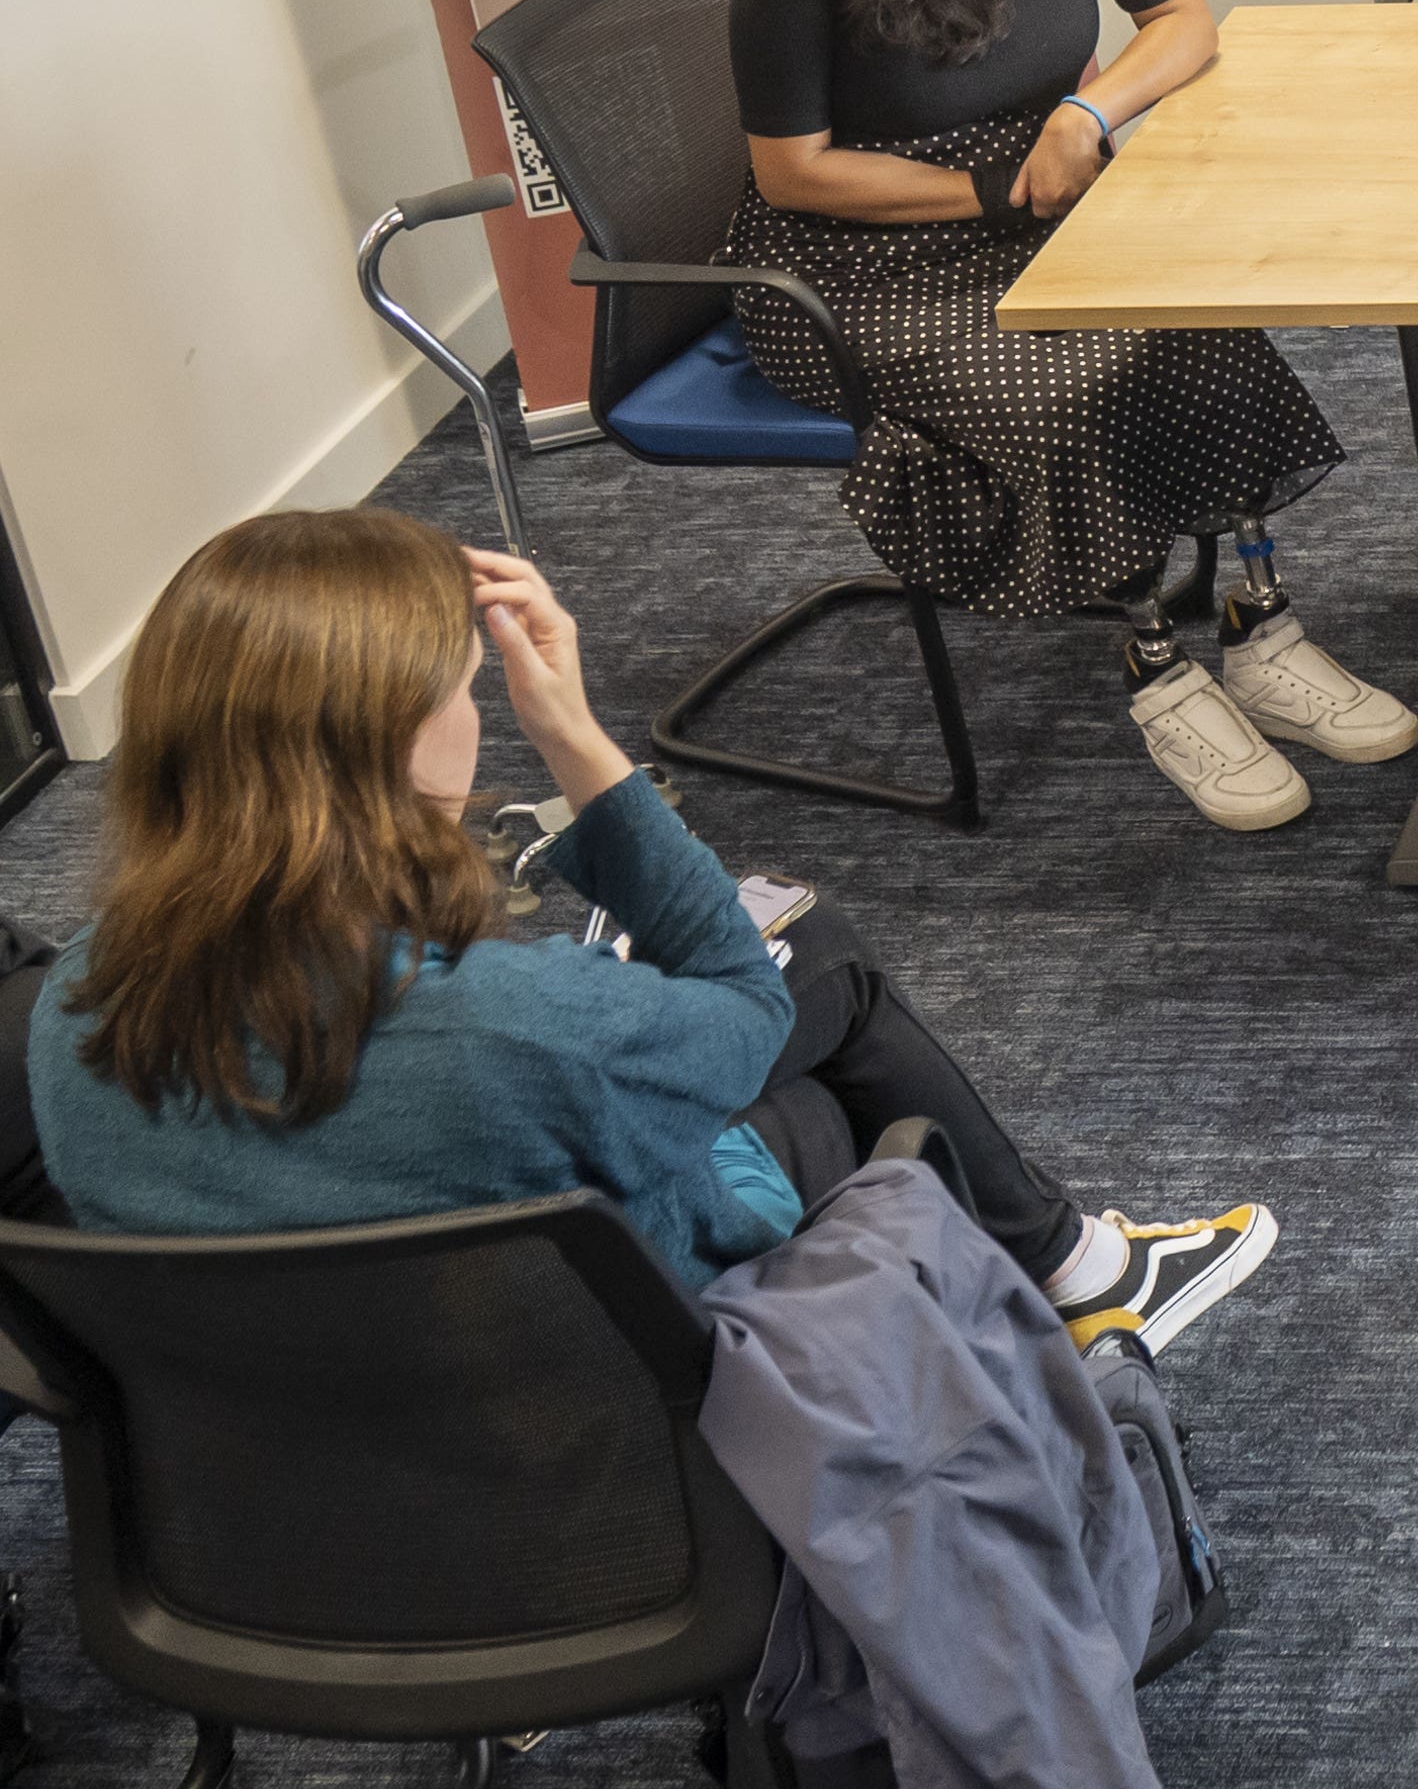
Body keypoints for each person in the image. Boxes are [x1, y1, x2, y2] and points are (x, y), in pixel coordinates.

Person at [31, 510, 1269, 1354]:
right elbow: (744, 1004)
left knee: (775, 975)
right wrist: (573, 733)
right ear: (397, 743)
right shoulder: (525, 1030)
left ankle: (1076, 1263)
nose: (477, 715)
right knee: (810, 999)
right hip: (600, 1442)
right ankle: (1076, 1273)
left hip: (299, 1494)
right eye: (464, 691)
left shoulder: (72, 1003)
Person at [727, 0, 1413, 833]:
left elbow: (1184, 18)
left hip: (1047, 178)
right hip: (862, 256)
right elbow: (791, 172)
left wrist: (1087, 112)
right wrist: (991, 191)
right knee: (1068, 377)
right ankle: (1156, 667)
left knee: (1202, 325)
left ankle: (1260, 628)